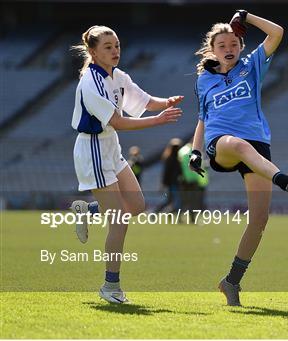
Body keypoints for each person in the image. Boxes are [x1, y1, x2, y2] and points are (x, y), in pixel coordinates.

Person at [189, 10, 288, 306]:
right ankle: (286, 182)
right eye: (222, 46)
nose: (228, 49)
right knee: (239, 145)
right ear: (212, 50)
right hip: (224, 145)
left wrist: (247, 16)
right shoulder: (204, 81)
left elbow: (278, 31)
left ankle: (231, 281)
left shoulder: (251, 65)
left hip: (258, 146)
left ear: (241, 47)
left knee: (259, 219)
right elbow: (203, 120)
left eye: (233, 44)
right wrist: (195, 150)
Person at [68, 25, 183, 304]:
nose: (115, 50)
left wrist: (165, 102)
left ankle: (87, 210)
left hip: (111, 147)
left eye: (117, 45)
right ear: (93, 52)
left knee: (136, 206)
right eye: (107, 47)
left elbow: (142, 101)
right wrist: (158, 120)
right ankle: (110, 286)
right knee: (119, 221)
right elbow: (117, 121)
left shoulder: (118, 76)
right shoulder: (90, 82)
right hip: (93, 148)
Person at [154, 138, 183, 214]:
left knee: (170, 201)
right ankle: (158, 212)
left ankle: (157, 212)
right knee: (175, 201)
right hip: (172, 183)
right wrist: (163, 184)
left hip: (174, 183)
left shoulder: (175, 159)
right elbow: (166, 173)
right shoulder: (170, 159)